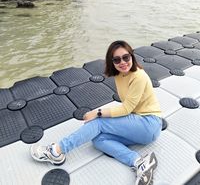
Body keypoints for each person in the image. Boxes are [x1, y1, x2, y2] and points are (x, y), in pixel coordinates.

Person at [31, 40, 162, 185]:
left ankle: (56, 151)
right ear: (111, 62)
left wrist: (97, 112)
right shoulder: (119, 75)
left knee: (99, 123)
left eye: (126, 57)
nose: (123, 62)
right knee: (99, 139)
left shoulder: (139, 76)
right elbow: (127, 107)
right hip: (138, 125)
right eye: (117, 59)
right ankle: (139, 163)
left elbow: (126, 109)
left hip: (149, 123)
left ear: (132, 56)